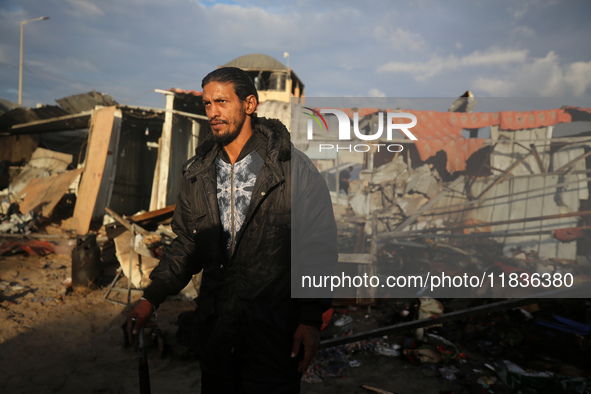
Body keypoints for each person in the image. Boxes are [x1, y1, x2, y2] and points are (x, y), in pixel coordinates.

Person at [127, 67, 337, 393]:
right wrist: (151, 298)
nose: (213, 112)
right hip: (218, 333)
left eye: (222, 102)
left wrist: (310, 319)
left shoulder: (292, 170)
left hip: (274, 332)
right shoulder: (198, 174)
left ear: (249, 104)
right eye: (207, 104)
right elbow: (185, 245)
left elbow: (317, 247)